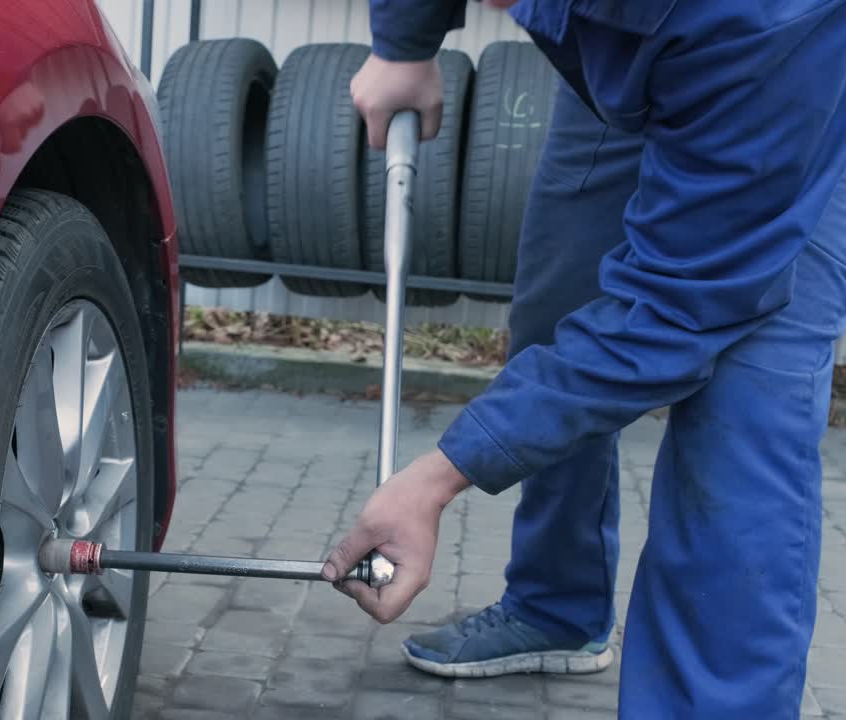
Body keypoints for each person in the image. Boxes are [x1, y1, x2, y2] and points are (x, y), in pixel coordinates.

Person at [322, 0, 846, 715]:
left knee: (748, 400)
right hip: (642, 48)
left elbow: (675, 308)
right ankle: (555, 607)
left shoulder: (765, 27)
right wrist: (404, 43)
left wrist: (436, 479)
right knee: (560, 309)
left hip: (784, 85)